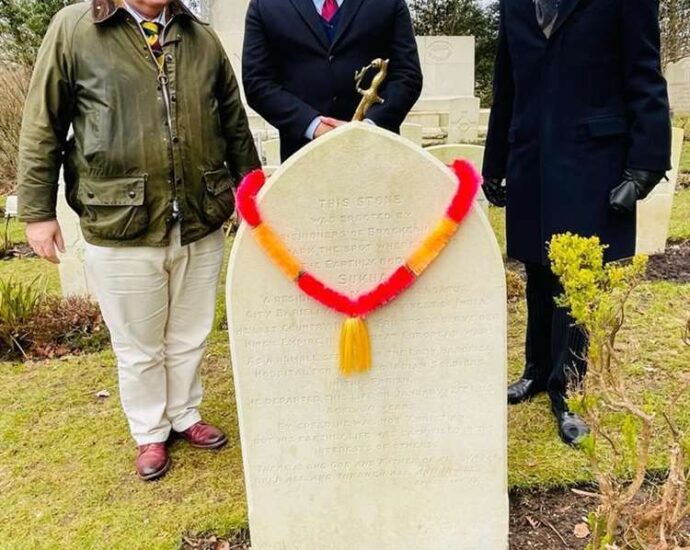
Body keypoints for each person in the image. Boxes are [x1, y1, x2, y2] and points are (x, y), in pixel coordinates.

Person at [17, 0, 260, 481]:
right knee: (139, 344)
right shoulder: (75, 28)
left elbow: (232, 122)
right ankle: (151, 430)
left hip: (199, 215)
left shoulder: (199, 36)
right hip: (120, 218)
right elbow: (42, 124)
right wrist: (38, 212)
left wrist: (250, 188)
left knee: (190, 334)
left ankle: (186, 414)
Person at [483, 0, 671, 445]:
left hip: (593, 159)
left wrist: (643, 170)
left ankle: (568, 388)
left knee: (577, 278)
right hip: (530, 157)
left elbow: (645, 77)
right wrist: (494, 163)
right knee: (536, 268)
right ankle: (535, 370)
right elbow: (506, 84)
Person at [242, 0, 424, 161]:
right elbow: (257, 83)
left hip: (377, 155)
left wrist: (367, 127)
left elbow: (407, 75)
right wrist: (314, 126)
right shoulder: (264, 6)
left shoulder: (389, 4)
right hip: (304, 162)